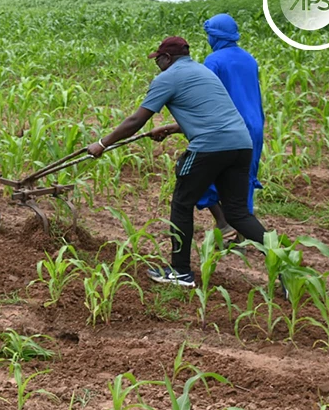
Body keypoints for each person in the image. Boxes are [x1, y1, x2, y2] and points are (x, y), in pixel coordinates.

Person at [86, 36, 267, 287]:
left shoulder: (167, 78)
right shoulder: (202, 72)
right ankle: (284, 262)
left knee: (182, 203)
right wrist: (171, 128)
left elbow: (135, 121)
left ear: (167, 58)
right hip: (241, 145)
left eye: (157, 59)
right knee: (237, 213)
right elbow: (213, 116)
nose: (156, 63)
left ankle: (180, 272)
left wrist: (103, 144)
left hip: (210, 147)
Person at [196, 14, 265, 246]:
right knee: (243, 178)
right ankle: (242, 230)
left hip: (227, 127)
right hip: (254, 125)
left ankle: (225, 225)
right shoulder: (249, 59)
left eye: (209, 35)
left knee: (199, 173)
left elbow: (209, 99)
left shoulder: (214, 61)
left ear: (216, 36)